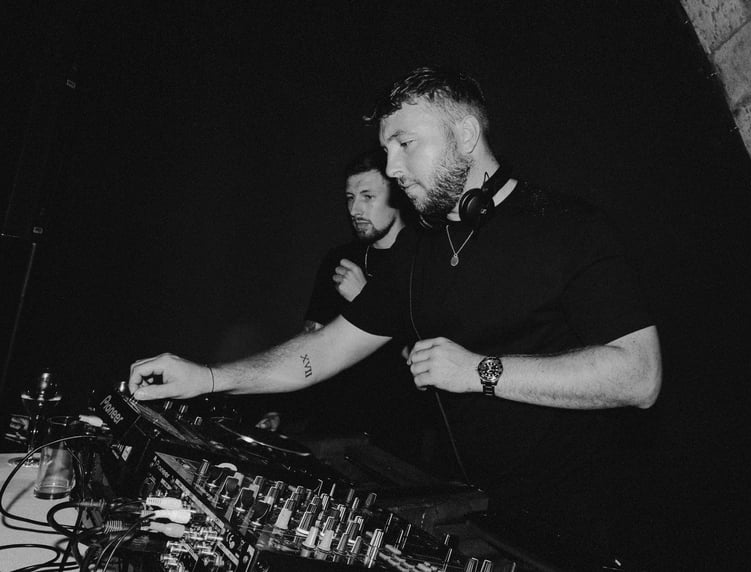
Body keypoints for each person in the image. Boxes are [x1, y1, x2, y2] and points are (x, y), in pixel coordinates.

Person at [129, 66, 661, 561]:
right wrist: (208, 378)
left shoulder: (568, 228)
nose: (391, 168)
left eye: (406, 144)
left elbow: (639, 376)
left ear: (466, 135)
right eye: (387, 149)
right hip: (472, 522)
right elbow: (322, 351)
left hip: (573, 534)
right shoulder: (416, 253)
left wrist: (479, 372)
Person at [264, 148, 432, 460]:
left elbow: (422, 357)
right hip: (329, 428)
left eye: (368, 196)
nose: (355, 209)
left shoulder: (423, 261)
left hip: (394, 436)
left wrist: (365, 300)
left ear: (397, 197)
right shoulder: (339, 260)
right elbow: (311, 343)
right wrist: (281, 410)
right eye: (350, 198)